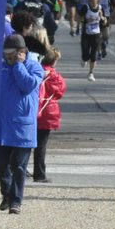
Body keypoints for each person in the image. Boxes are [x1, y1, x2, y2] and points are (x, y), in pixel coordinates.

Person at [0, 34, 44, 214]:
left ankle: (15, 201)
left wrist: (18, 66)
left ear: (21, 52)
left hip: (22, 126)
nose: (7, 57)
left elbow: (28, 85)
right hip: (0, 125)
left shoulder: (35, 68)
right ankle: (7, 192)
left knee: (19, 165)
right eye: (5, 53)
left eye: (11, 54)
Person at [32, 47, 66, 184]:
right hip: (47, 112)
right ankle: (39, 173)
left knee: (26, 144)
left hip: (33, 109)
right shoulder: (54, 76)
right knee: (41, 144)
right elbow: (60, 92)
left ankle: (19, 169)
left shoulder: (36, 71)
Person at [79, 0, 108, 83]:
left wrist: (102, 17)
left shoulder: (100, 8)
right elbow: (79, 18)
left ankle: (91, 73)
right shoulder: (85, 7)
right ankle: (84, 59)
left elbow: (104, 22)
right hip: (86, 34)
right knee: (85, 55)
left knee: (94, 54)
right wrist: (86, 20)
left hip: (96, 34)